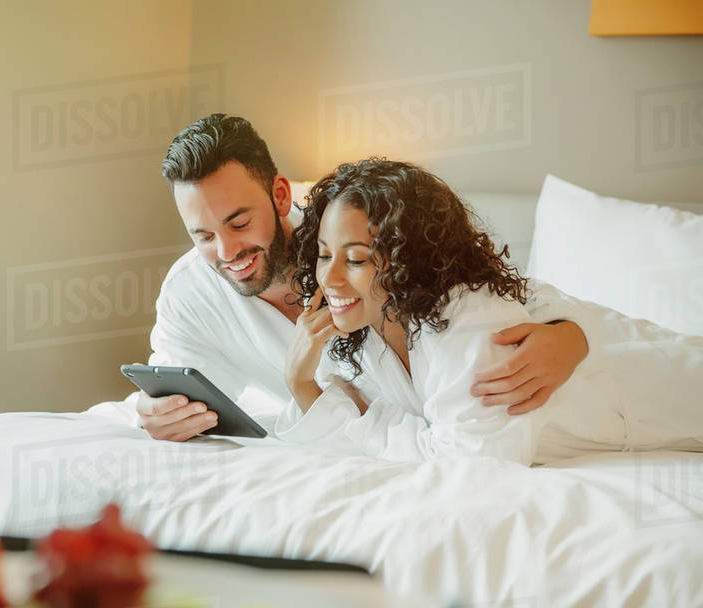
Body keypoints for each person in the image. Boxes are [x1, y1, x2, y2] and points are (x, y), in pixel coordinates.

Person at [136, 113, 591, 442]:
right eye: (202, 236)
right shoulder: (188, 291)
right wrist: (152, 411)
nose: (226, 251)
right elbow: (169, 379)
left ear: (278, 194)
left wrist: (572, 335)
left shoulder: (352, 233)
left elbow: (487, 288)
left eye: (239, 224)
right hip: (384, 436)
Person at [276, 158, 702, 464]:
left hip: (669, 389)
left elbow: (473, 463)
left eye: (355, 259)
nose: (328, 279)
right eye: (323, 254)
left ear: (410, 260)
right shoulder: (365, 330)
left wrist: (367, 418)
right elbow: (352, 425)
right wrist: (299, 380)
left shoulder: (474, 323)